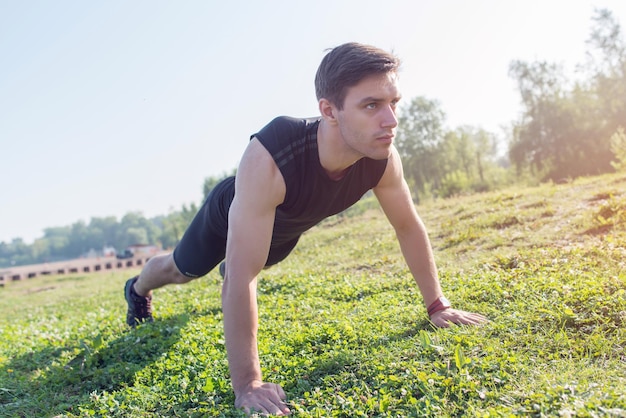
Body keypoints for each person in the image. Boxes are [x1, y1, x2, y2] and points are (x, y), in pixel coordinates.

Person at [124, 42, 488, 416]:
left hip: (281, 235)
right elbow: (240, 279)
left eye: (394, 102)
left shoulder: (381, 157)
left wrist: (437, 305)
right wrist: (248, 383)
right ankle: (136, 289)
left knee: (250, 263)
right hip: (227, 216)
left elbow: (408, 226)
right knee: (181, 271)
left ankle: (234, 257)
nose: (391, 120)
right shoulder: (272, 152)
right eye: (371, 105)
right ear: (329, 110)